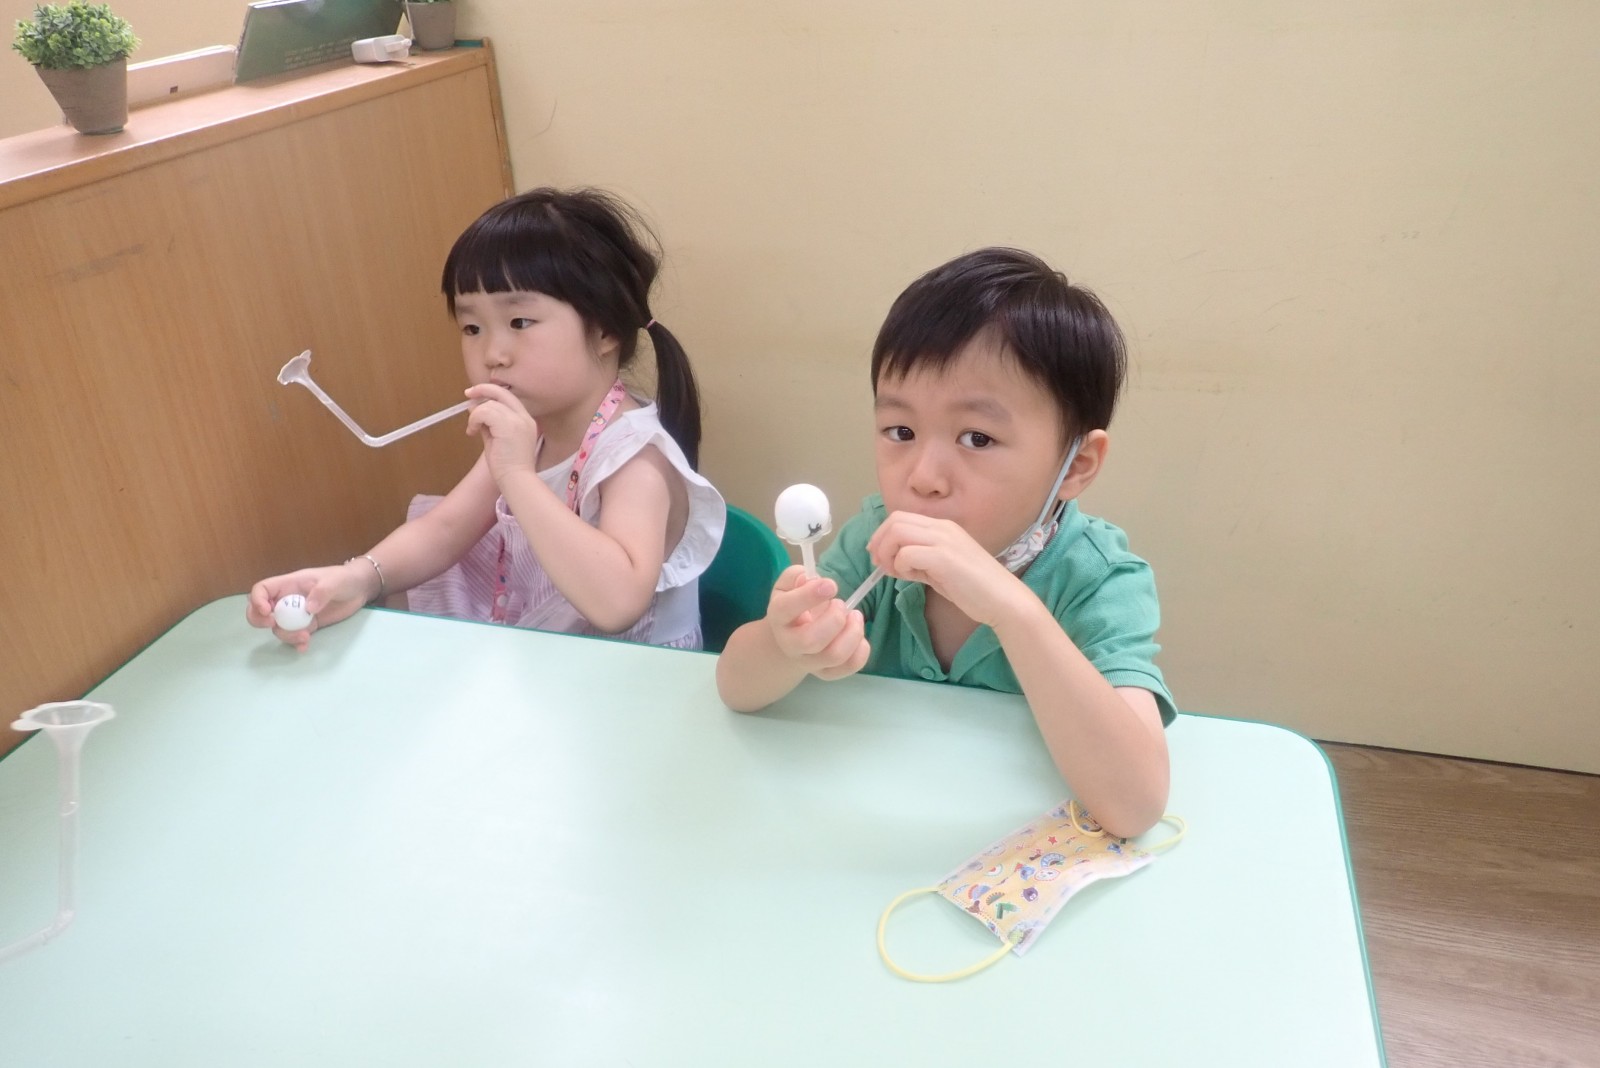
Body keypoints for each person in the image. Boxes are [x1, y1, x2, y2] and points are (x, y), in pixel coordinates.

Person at [716, 248, 1173, 837]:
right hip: (871, 825)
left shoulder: (1099, 580)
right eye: (900, 431)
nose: (923, 477)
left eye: (977, 438)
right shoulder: (874, 538)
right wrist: (786, 646)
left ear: (1077, 464)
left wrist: (1013, 610)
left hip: (1004, 842)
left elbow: (1134, 807)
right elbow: (735, 690)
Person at [248, 188, 725, 650]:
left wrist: (516, 473)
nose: (492, 353)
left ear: (604, 330)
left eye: (520, 323)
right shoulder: (531, 427)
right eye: (472, 327)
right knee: (400, 599)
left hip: (630, 674)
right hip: (553, 651)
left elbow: (618, 605)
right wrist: (355, 578)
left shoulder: (634, 458)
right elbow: (445, 530)